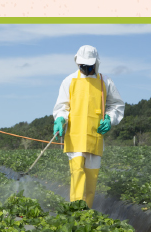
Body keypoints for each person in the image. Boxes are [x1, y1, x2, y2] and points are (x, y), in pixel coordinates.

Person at [52, 45, 125, 209]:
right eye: (82, 66)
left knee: (91, 180)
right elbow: (62, 107)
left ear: (96, 63)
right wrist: (60, 120)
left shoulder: (105, 81)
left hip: (95, 137)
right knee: (77, 175)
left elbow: (117, 105)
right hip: (75, 137)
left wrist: (109, 119)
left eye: (88, 66)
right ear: (78, 63)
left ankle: (87, 214)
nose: (85, 68)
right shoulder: (69, 81)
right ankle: (75, 213)